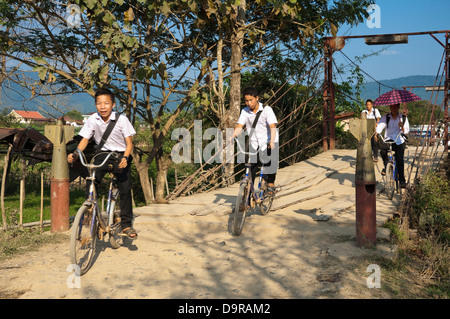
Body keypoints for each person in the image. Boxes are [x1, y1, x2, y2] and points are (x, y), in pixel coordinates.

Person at [68, 88, 138, 239]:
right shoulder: (93, 119)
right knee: (91, 180)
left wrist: (125, 158)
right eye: (99, 103)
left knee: (125, 188)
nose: (103, 106)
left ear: (113, 105)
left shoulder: (122, 119)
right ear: (95, 105)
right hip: (102, 155)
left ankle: (126, 224)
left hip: (120, 155)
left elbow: (129, 144)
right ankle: (90, 213)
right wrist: (75, 153)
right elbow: (85, 139)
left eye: (106, 103)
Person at [230, 87, 279, 196]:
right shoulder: (244, 111)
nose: (248, 103)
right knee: (250, 166)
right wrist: (232, 136)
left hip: (268, 140)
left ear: (257, 98)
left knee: (271, 163)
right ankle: (248, 194)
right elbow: (239, 125)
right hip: (254, 142)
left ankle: (270, 185)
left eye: (251, 100)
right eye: (246, 101)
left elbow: (272, 126)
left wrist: (271, 141)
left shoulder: (267, 110)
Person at [374, 103, 409, 188]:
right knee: (382, 151)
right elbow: (380, 126)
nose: (393, 109)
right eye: (391, 107)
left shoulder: (403, 118)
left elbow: (407, 131)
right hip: (388, 140)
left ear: (398, 107)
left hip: (399, 140)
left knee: (400, 160)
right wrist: (376, 134)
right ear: (390, 107)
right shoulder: (386, 118)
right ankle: (387, 167)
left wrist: (402, 127)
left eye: (395, 107)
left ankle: (402, 181)